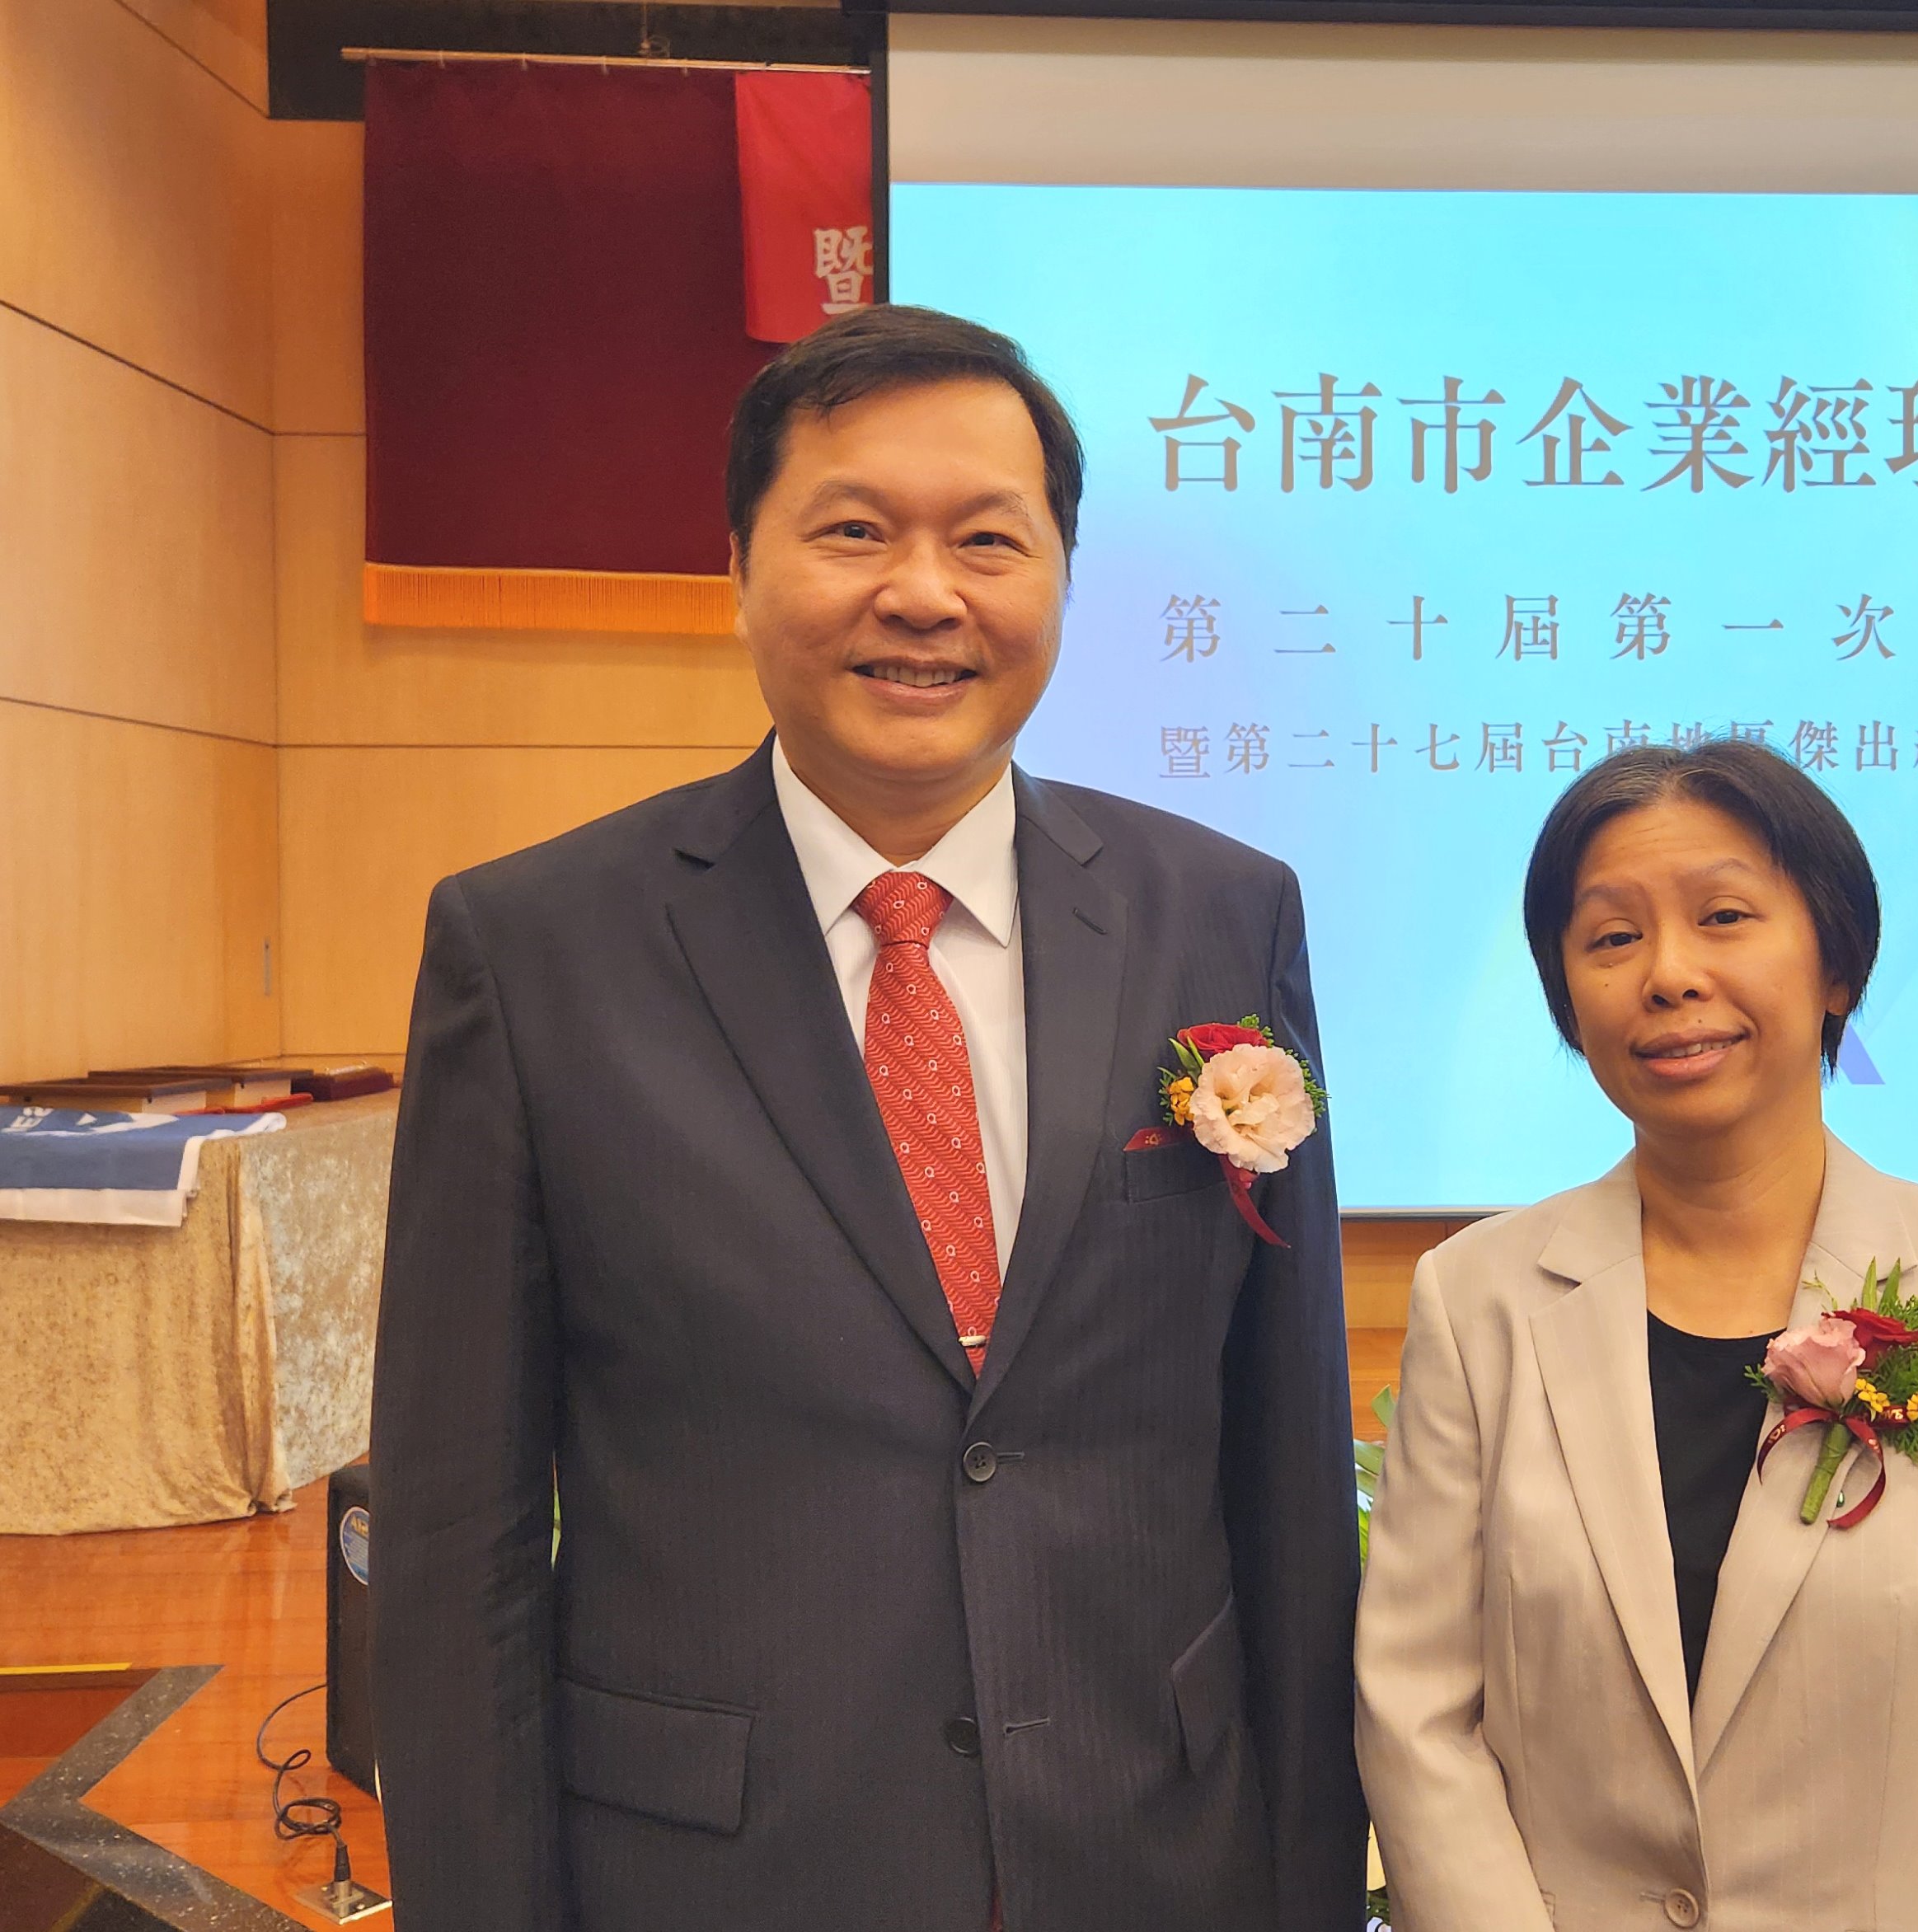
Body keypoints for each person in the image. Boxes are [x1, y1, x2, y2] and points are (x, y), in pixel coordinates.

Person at [371, 306, 1364, 1932]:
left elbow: (1290, 1466)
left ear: (1061, 576)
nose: (923, 593)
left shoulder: (1220, 915)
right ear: (738, 566)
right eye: (852, 531)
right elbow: (452, 1528)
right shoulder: (537, 950)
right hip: (722, 1874)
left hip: (1154, 1854)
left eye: (989, 538)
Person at [1353, 740, 1918, 1932]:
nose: (1668, 974)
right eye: (1611, 937)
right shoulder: (1478, 1301)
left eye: (1723, 917)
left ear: (1837, 963)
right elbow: (1419, 1706)